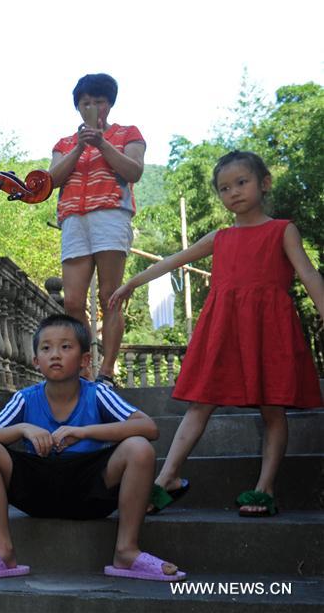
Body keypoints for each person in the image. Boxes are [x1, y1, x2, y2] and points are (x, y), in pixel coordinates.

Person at [109, 151, 324, 518]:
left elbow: (308, 274)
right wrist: (132, 281)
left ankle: (264, 488)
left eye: (242, 183)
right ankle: (167, 478)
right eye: (225, 188)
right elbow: (173, 260)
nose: (234, 193)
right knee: (200, 403)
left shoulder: (282, 230)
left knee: (272, 408)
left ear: (264, 183)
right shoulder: (220, 237)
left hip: (268, 330)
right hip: (223, 331)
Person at [0, 314, 185, 582]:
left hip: (91, 490)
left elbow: (149, 428)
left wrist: (85, 432)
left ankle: (126, 551)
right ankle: (3, 552)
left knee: (139, 448)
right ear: (36, 361)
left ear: (85, 360)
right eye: (46, 348)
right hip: (38, 491)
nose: (55, 354)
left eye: (66, 347)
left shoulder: (97, 393)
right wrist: (23, 429)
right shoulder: (24, 398)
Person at [48, 73, 146, 387]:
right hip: (74, 218)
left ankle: (107, 371)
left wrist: (101, 143)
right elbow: (52, 180)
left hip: (111, 214)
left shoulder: (128, 133)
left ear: (109, 104)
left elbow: (134, 170)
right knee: (73, 301)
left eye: (98, 101)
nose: (92, 107)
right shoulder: (64, 144)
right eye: (86, 102)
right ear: (78, 106)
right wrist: (79, 147)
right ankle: (85, 368)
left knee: (110, 296)